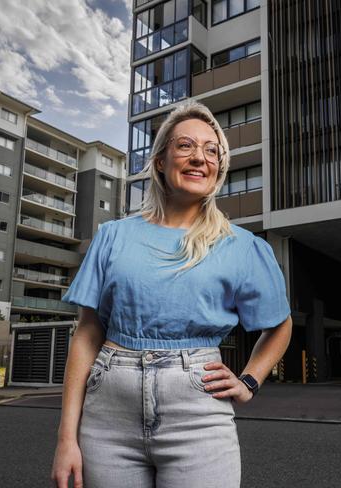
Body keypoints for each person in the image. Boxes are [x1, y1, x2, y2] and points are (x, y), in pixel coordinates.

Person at [50, 100, 293, 488]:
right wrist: (66, 440)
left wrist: (249, 381)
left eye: (211, 151)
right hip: (108, 416)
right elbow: (87, 334)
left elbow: (280, 325)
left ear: (219, 168)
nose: (200, 158)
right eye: (185, 146)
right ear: (161, 161)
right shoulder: (113, 236)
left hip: (199, 415)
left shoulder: (242, 246)